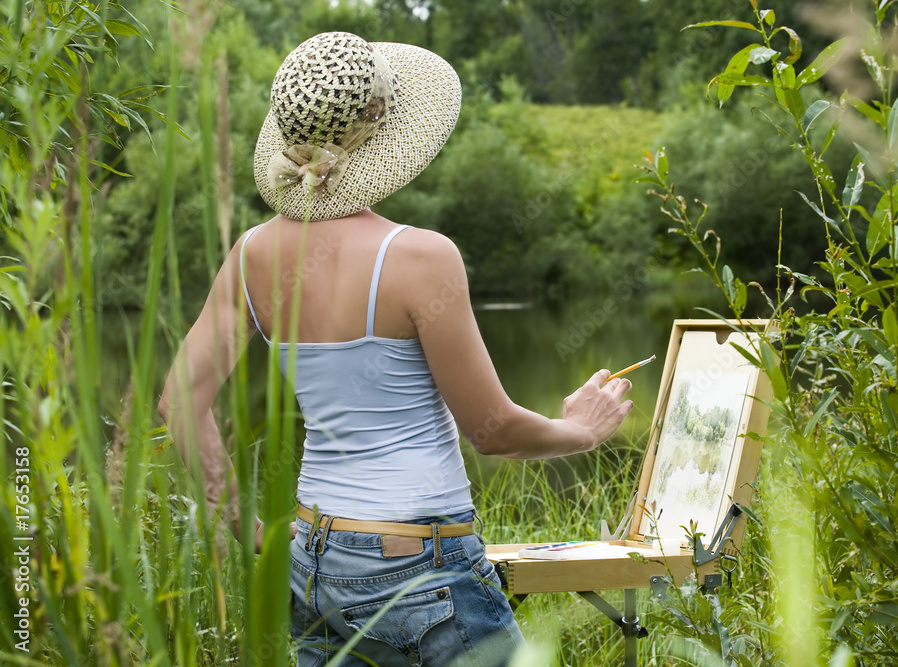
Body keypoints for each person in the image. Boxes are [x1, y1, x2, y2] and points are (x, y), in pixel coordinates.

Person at [158, 32, 633, 667]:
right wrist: (580, 429)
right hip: (420, 564)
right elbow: (491, 433)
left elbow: (178, 402)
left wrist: (244, 528)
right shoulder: (419, 257)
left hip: (312, 560)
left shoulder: (251, 256)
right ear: (383, 128)